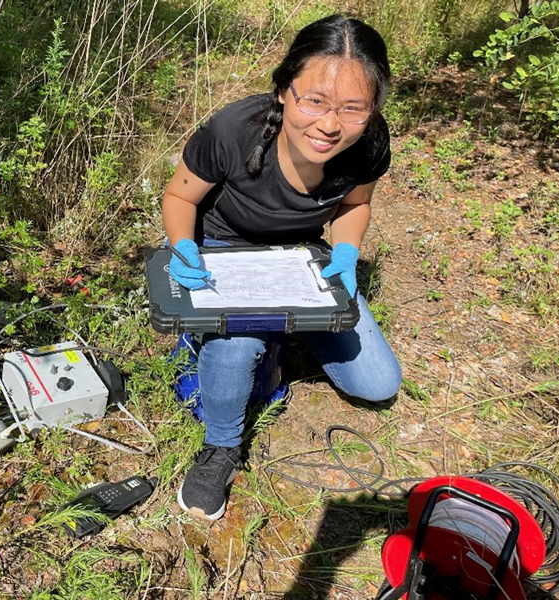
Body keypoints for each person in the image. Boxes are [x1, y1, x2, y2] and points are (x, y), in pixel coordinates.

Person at [162, 14, 403, 521]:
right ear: (283, 91)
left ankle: (282, 327)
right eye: (313, 100)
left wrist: (344, 252)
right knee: (238, 346)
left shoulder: (368, 145)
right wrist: (185, 247)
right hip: (223, 252)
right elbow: (180, 195)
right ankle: (221, 446)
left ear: (373, 110)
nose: (330, 124)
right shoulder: (233, 131)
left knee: (377, 384)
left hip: (300, 259)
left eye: (353, 109)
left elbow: (355, 205)